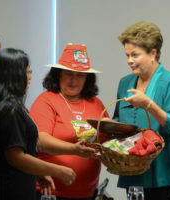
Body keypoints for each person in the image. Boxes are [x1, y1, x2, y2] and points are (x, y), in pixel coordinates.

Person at [0, 48, 77, 200]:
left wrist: (38, 172)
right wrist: (57, 170)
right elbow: (16, 157)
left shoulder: (4, 103)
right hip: (11, 190)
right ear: (13, 75)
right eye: (27, 72)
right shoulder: (10, 109)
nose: (30, 77)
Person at [113, 21, 170, 200]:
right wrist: (107, 128)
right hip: (135, 171)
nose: (129, 61)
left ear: (153, 53)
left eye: (135, 55)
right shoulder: (125, 83)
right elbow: (118, 119)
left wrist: (149, 104)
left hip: (167, 174)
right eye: (127, 55)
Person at [29, 43, 110, 200]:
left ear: (87, 78)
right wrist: (74, 149)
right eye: (68, 74)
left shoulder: (96, 103)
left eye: (80, 75)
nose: (74, 80)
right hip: (51, 193)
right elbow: (41, 140)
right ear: (58, 75)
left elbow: (106, 139)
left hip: (88, 194)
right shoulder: (46, 101)